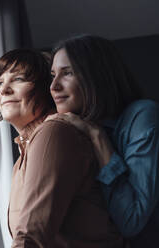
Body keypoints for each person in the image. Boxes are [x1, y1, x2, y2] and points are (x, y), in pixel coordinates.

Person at [0, 48, 124, 247]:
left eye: (18, 79)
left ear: (47, 88)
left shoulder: (54, 132)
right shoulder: (22, 158)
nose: (4, 90)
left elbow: (31, 235)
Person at [47, 34, 159, 248]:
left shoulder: (142, 116)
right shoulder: (72, 129)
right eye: (53, 75)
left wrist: (96, 136)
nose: (54, 86)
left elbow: (131, 220)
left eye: (67, 73)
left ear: (95, 75)